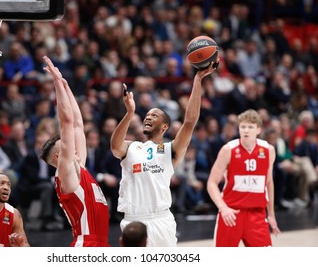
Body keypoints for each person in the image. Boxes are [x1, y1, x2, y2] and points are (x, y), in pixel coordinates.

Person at [110, 61, 219, 247]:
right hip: (133, 220)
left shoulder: (170, 150)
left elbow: (190, 122)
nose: (148, 117)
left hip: (161, 219)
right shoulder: (132, 147)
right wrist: (129, 114)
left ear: (165, 127)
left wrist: (198, 79)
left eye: (154, 115)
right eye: (147, 115)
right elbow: (114, 146)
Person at [40, 56, 110, 247]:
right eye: (67, 144)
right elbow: (67, 122)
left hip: (100, 243)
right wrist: (56, 84)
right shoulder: (65, 171)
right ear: (57, 157)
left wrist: (65, 84)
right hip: (86, 245)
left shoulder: (79, 168)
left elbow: (78, 125)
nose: (72, 145)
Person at [207, 109, 281, 247]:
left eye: (250, 127)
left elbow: (269, 183)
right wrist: (223, 208)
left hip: (257, 214)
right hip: (232, 214)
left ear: (258, 130)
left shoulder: (268, 150)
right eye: (243, 127)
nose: (246, 131)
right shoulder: (228, 150)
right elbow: (211, 182)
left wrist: (271, 214)